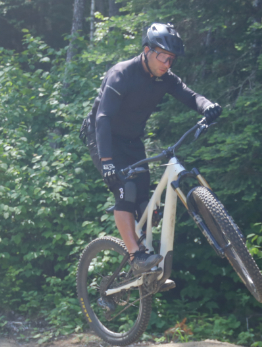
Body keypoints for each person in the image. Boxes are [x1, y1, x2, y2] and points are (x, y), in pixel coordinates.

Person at [85, 22, 222, 277]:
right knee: (126, 190)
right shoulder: (121, 74)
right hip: (103, 138)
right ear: (147, 50)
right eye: (163, 57)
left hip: (132, 141)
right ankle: (136, 256)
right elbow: (102, 119)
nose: (167, 64)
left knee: (146, 203)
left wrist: (208, 107)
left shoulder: (165, 79)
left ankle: (147, 269)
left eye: (172, 59)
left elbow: (190, 96)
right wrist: (107, 161)